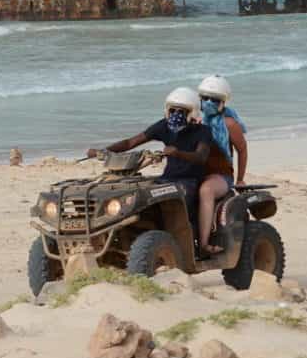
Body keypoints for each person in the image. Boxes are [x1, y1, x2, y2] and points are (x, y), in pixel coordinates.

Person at [86, 87, 211, 208]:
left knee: (174, 202)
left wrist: (178, 153)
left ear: (192, 112)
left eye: (181, 112)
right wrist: (102, 151)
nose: (176, 115)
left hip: (189, 181)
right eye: (173, 110)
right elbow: (130, 143)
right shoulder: (164, 126)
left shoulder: (203, 131)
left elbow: (201, 157)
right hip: (166, 178)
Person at [196, 74, 248, 257]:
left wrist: (240, 179)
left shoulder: (229, 124)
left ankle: (204, 244)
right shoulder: (196, 120)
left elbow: (242, 149)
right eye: (205, 98)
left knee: (206, 191)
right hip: (197, 171)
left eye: (214, 99)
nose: (209, 102)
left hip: (220, 174)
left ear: (223, 102)